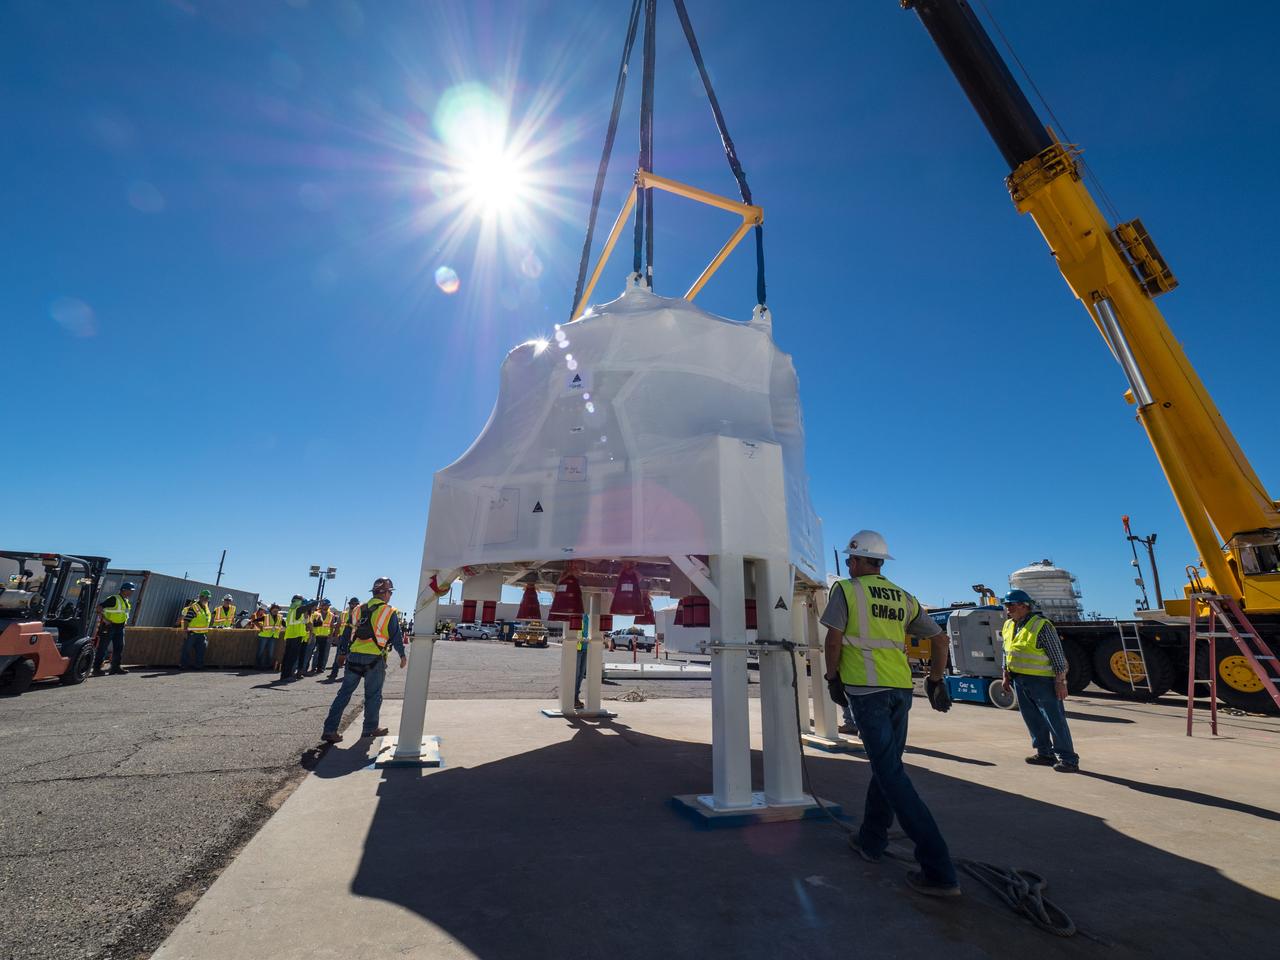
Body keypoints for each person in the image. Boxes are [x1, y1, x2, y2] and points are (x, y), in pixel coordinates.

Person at [821, 529, 959, 897]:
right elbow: (940, 639)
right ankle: (871, 840)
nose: (848, 563)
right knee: (887, 767)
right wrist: (935, 680)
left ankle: (939, 869)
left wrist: (832, 678)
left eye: (852, 558)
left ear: (864, 560)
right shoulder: (903, 596)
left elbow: (833, 639)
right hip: (900, 690)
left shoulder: (846, 590)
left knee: (893, 775)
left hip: (867, 692)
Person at [999, 589, 1079, 773]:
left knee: (1054, 719)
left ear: (1023, 606)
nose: (1007, 609)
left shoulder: (1041, 625)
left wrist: (1061, 682)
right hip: (1019, 679)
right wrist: (1005, 674)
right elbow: (1006, 651)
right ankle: (1045, 753)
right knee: (1033, 719)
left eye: (1010, 605)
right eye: (1007, 605)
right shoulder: (1008, 625)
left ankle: (1068, 759)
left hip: (1042, 681)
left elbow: (1057, 656)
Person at [322, 577, 406, 743]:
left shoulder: (358, 610)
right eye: (390, 592)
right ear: (385, 593)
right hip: (375, 659)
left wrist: (342, 652)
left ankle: (330, 730)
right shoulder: (389, 611)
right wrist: (402, 655)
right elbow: (396, 635)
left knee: (344, 694)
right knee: (373, 695)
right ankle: (370, 728)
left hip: (353, 657)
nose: (390, 595)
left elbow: (347, 633)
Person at [93, 581, 135, 676]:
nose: (132, 592)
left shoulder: (126, 601)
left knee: (119, 647)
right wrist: (104, 619)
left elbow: (123, 613)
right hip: (109, 626)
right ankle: (96, 668)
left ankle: (115, 667)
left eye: (132, 590)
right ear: (124, 590)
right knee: (103, 647)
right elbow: (99, 607)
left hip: (120, 627)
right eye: (130, 590)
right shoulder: (114, 599)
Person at [327, 597, 361, 681]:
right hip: (343, 637)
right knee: (339, 656)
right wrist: (335, 637)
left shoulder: (360, 615)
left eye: (355, 604)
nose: (353, 605)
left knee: (351, 657)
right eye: (351, 604)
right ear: (349, 604)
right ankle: (334, 673)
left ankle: (347, 675)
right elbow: (338, 626)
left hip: (354, 638)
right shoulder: (343, 614)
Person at [180, 589, 213, 670]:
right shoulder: (194, 607)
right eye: (205, 597)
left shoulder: (206, 607)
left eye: (208, 598)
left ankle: (199, 666)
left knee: (201, 651)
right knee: (186, 650)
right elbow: (186, 620)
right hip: (192, 634)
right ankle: (184, 666)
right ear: (201, 597)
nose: (207, 599)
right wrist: (185, 631)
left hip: (202, 634)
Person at [279, 595, 309, 681]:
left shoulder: (292, 610)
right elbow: (306, 607)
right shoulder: (297, 610)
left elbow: (303, 622)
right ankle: (287, 676)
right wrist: (315, 602)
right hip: (295, 636)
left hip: (291, 636)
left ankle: (284, 675)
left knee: (287, 657)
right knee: (291, 657)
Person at [310, 598, 335, 675]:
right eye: (324, 605)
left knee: (322, 653)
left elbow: (331, 626)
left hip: (325, 636)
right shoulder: (316, 613)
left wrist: (331, 636)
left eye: (327, 605)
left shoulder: (331, 615)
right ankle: (313, 667)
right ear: (322, 605)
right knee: (314, 652)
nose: (326, 607)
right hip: (316, 635)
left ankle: (320, 668)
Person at [256, 603, 284, 670]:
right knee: (260, 651)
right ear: (271, 610)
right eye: (275, 610)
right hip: (264, 636)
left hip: (273, 636)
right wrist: (260, 627)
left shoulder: (280, 617)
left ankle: (267, 666)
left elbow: (284, 624)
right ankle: (258, 665)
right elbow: (255, 621)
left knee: (270, 652)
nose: (276, 611)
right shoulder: (266, 616)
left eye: (277, 610)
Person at [573, 629, 588, 710]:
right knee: (576, 674)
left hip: (586, 648)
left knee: (581, 674)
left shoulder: (589, 617)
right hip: (578, 648)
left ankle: (576, 697)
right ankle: (573, 698)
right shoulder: (581, 617)